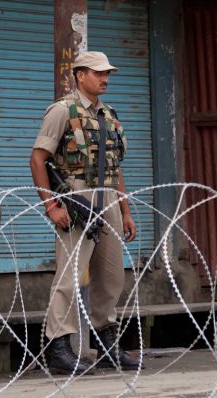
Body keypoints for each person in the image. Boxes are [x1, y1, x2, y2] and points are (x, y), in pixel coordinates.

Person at [30, 51, 141, 374]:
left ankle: (106, 342)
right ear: (80, 75)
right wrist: (51, 205)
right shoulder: (62, 111)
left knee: (111, 276)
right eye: (97, 73)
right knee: (70, 275)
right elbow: (38, 159)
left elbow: (114, 168)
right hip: (76, 197)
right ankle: (59, 346)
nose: (104, 79)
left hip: (107, 198)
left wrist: (125, 210)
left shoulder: (107, 114)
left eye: (107, 73)